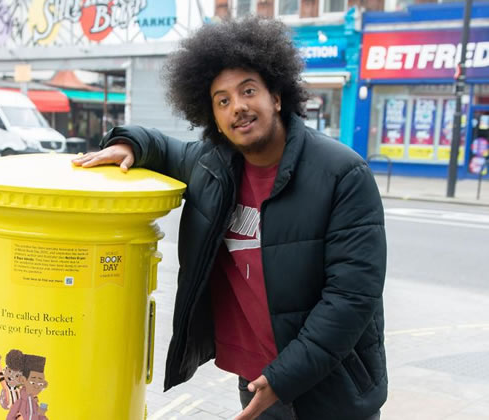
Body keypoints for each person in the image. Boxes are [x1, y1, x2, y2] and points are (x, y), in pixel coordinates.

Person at [73, 17, 387, 420]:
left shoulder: (343, 174)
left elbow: (351, 299)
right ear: (214, 119)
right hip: (256, 381)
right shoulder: (212, 166)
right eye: (222, 101)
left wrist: (283, 378)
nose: (236, 106)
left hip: (333, 391)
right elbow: (165, 148)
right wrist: (128, 142)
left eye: (248, 91)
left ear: (276, 96)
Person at [7, 353, 49, 420]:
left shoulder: (34, 404)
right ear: (23, 380)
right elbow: (10, 417)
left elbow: (40, 417)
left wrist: (42, 414)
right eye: (32, 382)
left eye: (40, 384)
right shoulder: (20, 402)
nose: (37, 387)